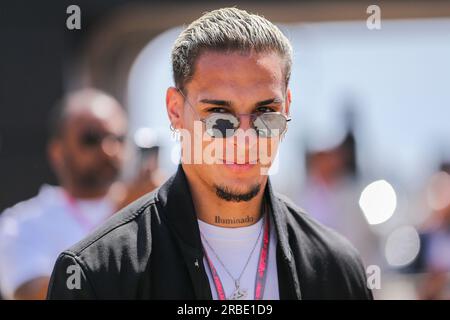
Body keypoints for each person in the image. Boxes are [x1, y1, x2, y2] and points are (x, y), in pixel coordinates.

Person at [47, 8, 372, 300]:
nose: (245, 138)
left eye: (265, 114)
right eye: (219, 117)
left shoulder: (336, 268)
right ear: (175, 110)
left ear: (287, 107)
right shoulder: (98, 273)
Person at [0, 88, 127, 299]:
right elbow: (39, 295)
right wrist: (126, 216)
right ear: (57, 151)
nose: (108, 149)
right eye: (91, 139)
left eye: (118, 138)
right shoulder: (21, 224)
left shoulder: (158, 210)